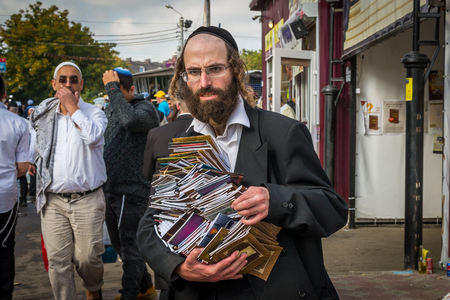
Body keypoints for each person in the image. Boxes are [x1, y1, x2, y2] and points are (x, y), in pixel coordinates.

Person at [137, 26, 348, 300]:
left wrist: (275, 200)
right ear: (183, 77)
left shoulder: (282, 133)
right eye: (194, 72)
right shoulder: (175, 142)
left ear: (235, 71)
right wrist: (178, 267)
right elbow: (148, 225)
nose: (204, 82)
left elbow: (332, 208)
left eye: (215, 69)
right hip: (197, 292)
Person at [30, 61, 107, 300]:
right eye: (62, 80)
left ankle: (93, 289)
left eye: (74, 79)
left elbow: (93, 137)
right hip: (53, 202)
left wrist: (73, 107)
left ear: (81, 84)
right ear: (54, 84)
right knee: (58, 263)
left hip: (87, 200)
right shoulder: (44, 116)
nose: (68, 83)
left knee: (87, 258)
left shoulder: (94, 112)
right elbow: (37, 148)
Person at [102, 67, 160, 300]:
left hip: (133, 190)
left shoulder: (146, 109)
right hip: (111, 188)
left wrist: (113, 91)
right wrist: (115, 96)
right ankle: (145, 287)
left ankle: (129, 294)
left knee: (130, 247)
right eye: (109, 92)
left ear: (132, 90)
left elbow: (129, 122)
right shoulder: (112, 107)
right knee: (119, 246)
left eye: (116, 91)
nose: (112, 96)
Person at [0, 75, 30, 300]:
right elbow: (22, 167)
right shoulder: (18, 123)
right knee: (4, 248)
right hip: (4, 196)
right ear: (3, 95)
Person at [143, 96, 192, 181]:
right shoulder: (209, 131)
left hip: (161, 188)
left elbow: (147, 173)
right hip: (196, 190)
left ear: (178, 106)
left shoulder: (155, 133)